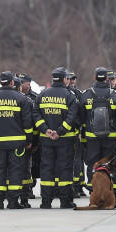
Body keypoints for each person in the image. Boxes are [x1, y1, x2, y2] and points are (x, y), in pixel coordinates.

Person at [0, 71, 33, 209]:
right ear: (12, 82)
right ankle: (13, 201)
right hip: (17, 143)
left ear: (0, 82)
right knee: (15, 170)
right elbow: (27, 123)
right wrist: (29, 140)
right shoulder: (22, 99)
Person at [32, 68, 80, 209]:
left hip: (46, 139)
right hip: (65, 139)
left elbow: (36, 114)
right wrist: (60, 131)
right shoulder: (69, 96)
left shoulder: (42, 94)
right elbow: (71, 117)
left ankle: (46, 201)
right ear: (64, 79)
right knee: (64, 169)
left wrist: (45, 130)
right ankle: (65, 201)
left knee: (47, 169)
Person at [79, 67, 116, 197]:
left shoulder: (86, 94)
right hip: (111, 138)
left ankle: (95, 194)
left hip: (91, 138)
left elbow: (80, 117)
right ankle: (111, 195)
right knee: (110, 165)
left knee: (93, 165)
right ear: (107, 79)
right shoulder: (114, 95)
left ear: (95, 78)